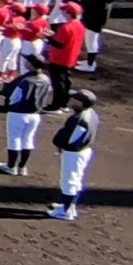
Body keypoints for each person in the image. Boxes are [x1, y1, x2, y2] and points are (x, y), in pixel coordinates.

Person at [49, 89, 100, 221]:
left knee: (69, 182)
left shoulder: (79, 119)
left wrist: (60, 145)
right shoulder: (91, 113)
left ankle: (66, 212)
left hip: (74, 154)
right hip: (82, 151)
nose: (71, 100)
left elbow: (71, 139)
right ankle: (68, 207)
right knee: (75, 180)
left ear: (81, 103)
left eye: (75, 99)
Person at [0, 54, 50, 177]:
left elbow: (12, 95)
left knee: (14, 139)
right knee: (28, 139)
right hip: (35, 115)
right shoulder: (45, 79)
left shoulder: (25, 80)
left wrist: (9, 102)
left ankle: (11, 167)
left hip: (18, 114)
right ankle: (22, 167)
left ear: (31, 64)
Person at [43, 1, 86, 110]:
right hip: (70, 57)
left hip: (59, 59)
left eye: (64, 10)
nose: (62, 12)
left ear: (68, 13)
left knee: (58, 83)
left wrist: (47, 37)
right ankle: (63, 103)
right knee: (65, 82)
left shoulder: (65, 27)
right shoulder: (79, 25)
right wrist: (53, 35)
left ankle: (55, 105)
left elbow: (58, 44)